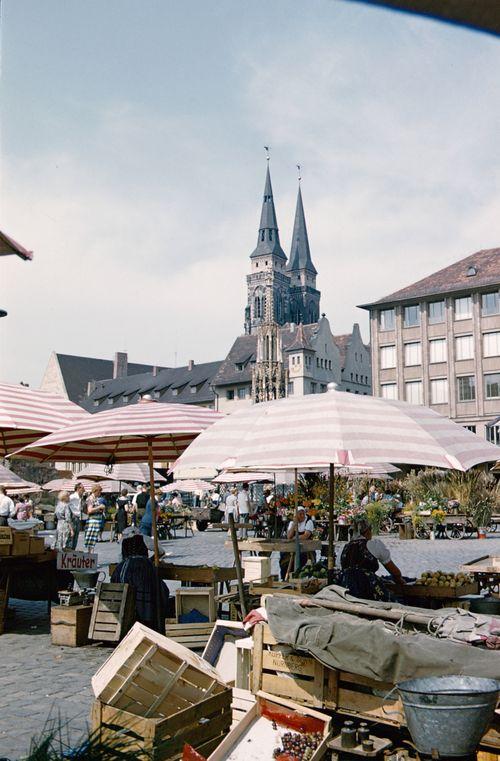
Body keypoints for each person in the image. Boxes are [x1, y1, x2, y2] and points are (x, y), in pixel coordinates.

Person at [111, 533, 169, 630]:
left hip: (123, 614)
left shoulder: (121, 565)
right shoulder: (147, 564)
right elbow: (161, 551)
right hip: (144, 569)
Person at [339, 518, 404, 601]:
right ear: (367, 532)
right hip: (367, 587)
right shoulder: (373, 544)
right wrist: (399, 579)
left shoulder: (344, 548)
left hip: (346, 587)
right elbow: (394, 571)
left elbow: (340, 568)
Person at [280, 506, 315, 580]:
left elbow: (306, 535)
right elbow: (289, 536)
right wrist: (294, 524)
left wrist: (294, 538)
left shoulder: (308, 521)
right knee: (284, 557)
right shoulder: (292, 523)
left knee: (301, 558)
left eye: (303, 514)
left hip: (306, 548)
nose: (302, 516)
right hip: (293, 547)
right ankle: (286, 577)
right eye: (300, 514)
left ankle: (298, 576)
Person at [84, 484, 105, 552]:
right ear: (95, 491)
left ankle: (91, 556)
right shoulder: (90, 498)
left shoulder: (95, 498)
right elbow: (89, 510)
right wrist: (99, 507)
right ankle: (90, 557)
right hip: (92, 521)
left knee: (92, 542)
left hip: (96, 521)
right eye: (99, 492)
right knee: (91, 542)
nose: (100, 493)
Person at [69, 482, 85, 549]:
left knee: (76, 537)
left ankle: (73, 551)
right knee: (71, 536)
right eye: (83, 488)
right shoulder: (72, 496)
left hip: (78, 518)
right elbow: (65, 504)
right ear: (78, 489)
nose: (84, 490)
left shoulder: (79, 498)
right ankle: (69, 552)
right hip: (73, 517)